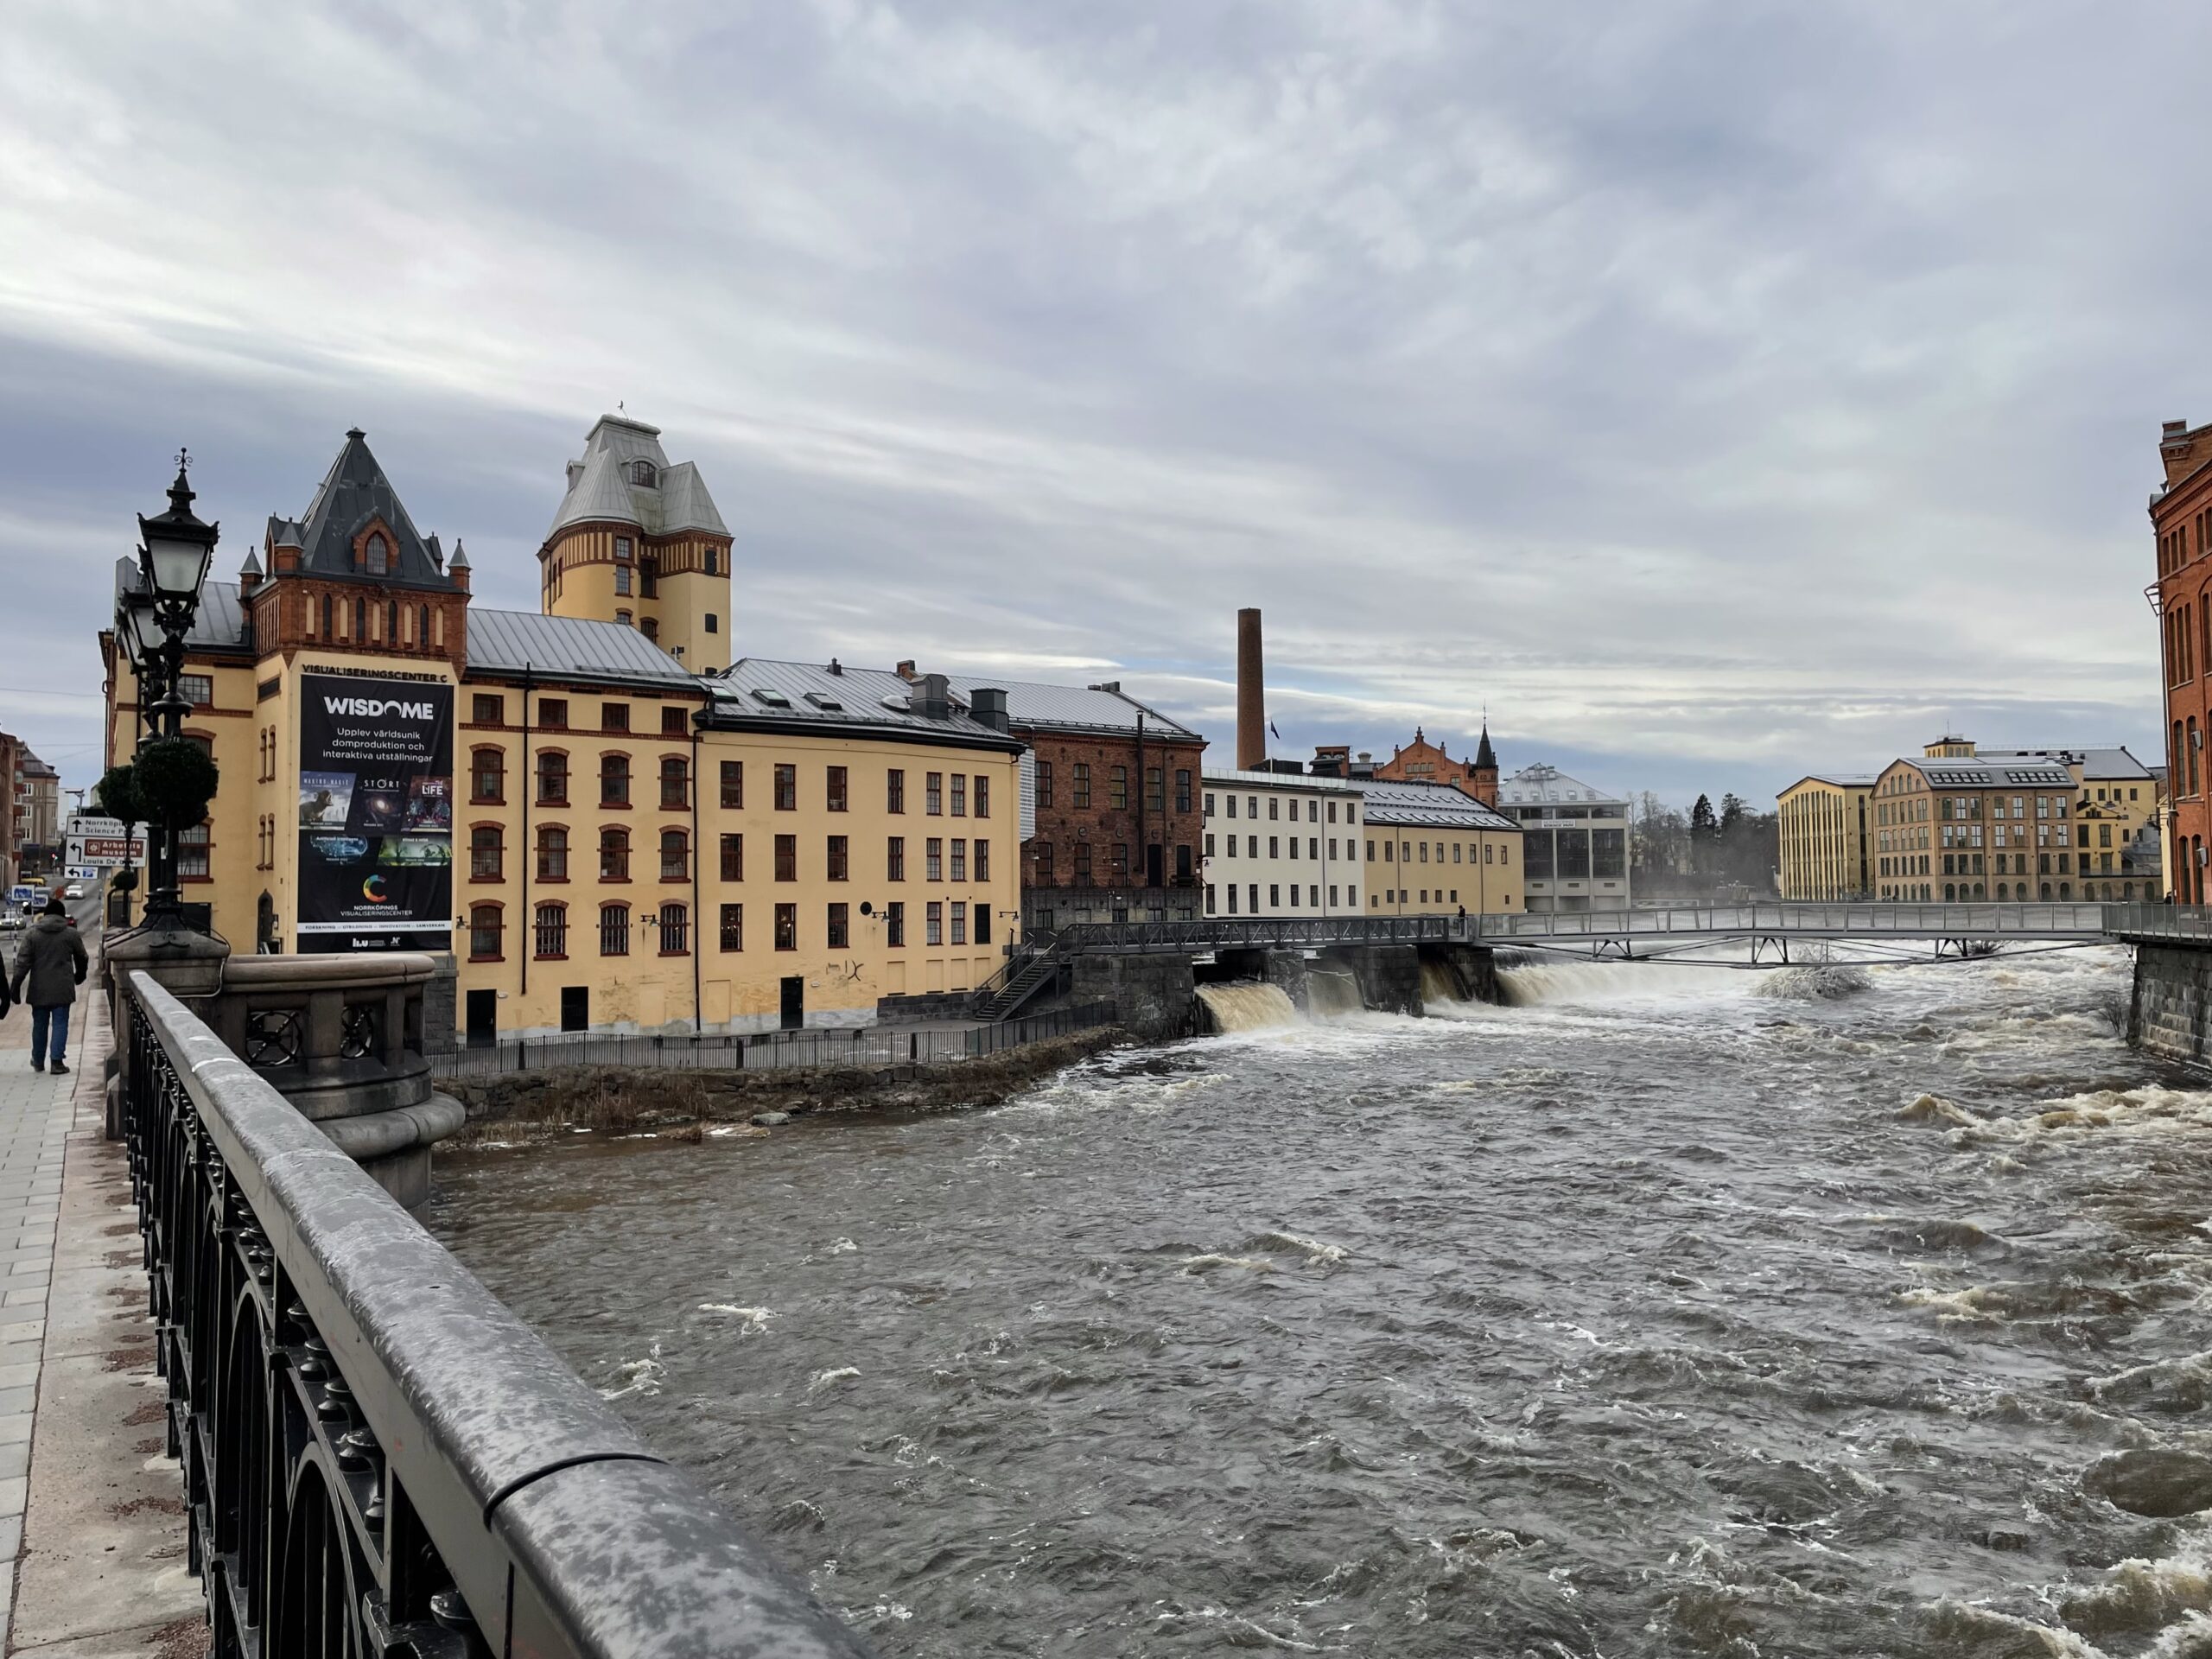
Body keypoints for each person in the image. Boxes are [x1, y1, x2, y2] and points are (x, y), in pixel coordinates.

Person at [11, 898, 87, 1075]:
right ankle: (57, 1062)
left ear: (45, 915)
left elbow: (23, 963)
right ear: (62, 915)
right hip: (62, 987)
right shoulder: (71, 934)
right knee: (60, 1023)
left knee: (40, 1024)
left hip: (39, 988)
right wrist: (80, 975)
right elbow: (82, 957)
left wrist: (15, 986)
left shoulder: (32, 935)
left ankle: (38, 1060)